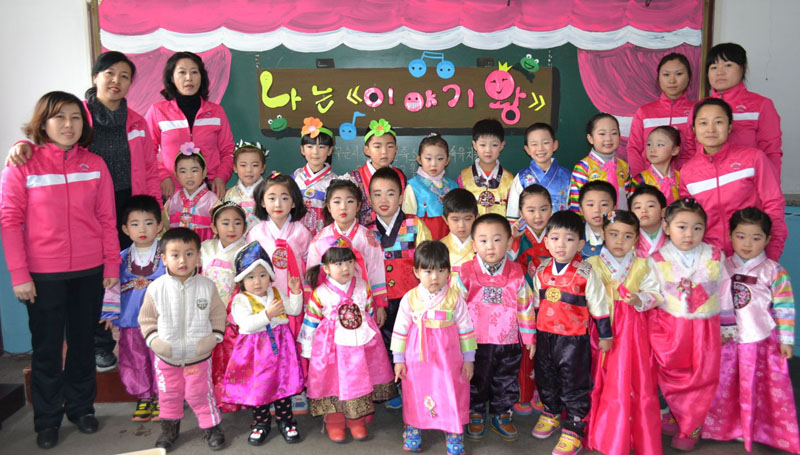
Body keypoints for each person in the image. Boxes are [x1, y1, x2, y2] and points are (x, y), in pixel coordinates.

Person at [6, 50, 161, 374]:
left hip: (129, 205)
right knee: (99, 282)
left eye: (124, 76)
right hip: (88, 207)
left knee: (126, 275)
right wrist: (23, 146)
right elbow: (52, 145)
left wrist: (153, 209)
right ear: (95, 77)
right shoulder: (77, 115)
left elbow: (149, 167)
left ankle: (135, 340)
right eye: (110, 74)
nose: (116, 81)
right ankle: (100, 345)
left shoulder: (136, 121)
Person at [0, 91, 120, 449]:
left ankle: (82, 408)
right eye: (60, 117)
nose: (69, 125)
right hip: (43, 275)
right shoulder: (23, 164)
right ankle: (47, 419)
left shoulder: (94, 164)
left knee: (83, 345)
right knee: (47, 349)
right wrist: (19, 275)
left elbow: (107, 219)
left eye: (76, 117)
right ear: (43, 123)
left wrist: (111, 265)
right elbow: (9, 222)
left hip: (89, 271)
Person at [703, 207, 800, 453]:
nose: (747, 244)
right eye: (740, 236)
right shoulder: (722, 266)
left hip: (761, 342)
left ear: (767, 239)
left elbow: (785, 307)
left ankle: (757, 428)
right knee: (726, 386)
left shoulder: (773, 271)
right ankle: (728, 427)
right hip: (727, 341)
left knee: (759, 387)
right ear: (731, 236)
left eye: (756, 238)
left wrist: (786, 340)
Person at [298, 236, 398, 442]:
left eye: (349, 262)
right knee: (333, 384)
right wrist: (308, 351)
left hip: (361, 347)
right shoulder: (320, 293)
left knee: (359, 381)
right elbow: (311, 322)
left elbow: (369, 311)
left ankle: (356, 420)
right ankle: (335, 421)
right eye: (338, 263)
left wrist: (372, 340)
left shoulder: (362, 286)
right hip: (332, 351)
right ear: (326, 268)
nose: (345, 268)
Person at [137, 227, 226, 451]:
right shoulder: (156, 288)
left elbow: (218, 314)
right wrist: (155, 342)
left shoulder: (207, 286)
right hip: (166, 357)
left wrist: (213, 338)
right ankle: (169, 429)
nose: (183, 260)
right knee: (169, 394)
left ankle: (211, 427)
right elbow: (146, 320)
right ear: (164, 258)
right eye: (175, 255)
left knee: (200, 393)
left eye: (189, 254)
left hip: (198, 356)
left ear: (198, 256)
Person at [530, 210, 611, 455]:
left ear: (580, 244)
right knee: (545, 375)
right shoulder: (541, 271)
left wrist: (605, 335)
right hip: (545, 336)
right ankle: (551, 411)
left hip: (573, 339)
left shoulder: (586, 273)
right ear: (546, 242)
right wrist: (532, 335)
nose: (561, 245)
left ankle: (575, 424)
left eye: (569, 239)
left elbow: (599, 305)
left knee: (573, 380)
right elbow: (536, 305)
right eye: (555, 238)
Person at [646, 199, 724, 451]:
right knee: (669, 372)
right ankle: (670, 416)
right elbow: (652, 293)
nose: (689, 234)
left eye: (697, 228)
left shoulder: (715, 255)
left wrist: (728, 326)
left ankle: (691, 428)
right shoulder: (656, 259)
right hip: (670, 328)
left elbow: (725, 292)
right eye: (682, 227)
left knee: (702, 377)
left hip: (705, 329)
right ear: (666, 228)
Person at [584, 210, 662, 455]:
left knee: (632, 379)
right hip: (600, 327)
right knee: (600, 376)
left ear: (636, 238)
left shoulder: (643, 264)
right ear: (603, 233)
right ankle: (603, 433)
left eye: (628, 236)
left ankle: (634, 435)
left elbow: (655, 293)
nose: (620, 241)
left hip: (632, 332)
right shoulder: (591, 263)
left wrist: (639, 298)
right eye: (614, 234)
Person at [391, 240, 477, 455]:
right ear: (416, 272)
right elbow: (400, 330)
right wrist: (398, 360)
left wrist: (469, 359)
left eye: (440, 270)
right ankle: (413, 427)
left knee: (451, 390)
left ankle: (453, 431)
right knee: (415, 391)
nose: (435, 277)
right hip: (417, 358)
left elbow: (466, 329)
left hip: (449, 358)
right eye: (428, 271)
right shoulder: (410, 298)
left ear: (449, 271)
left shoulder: (454, 298)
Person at [455, 214, 536, 442]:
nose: (490, 246)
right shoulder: (465, 272)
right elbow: (456, 307)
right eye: (483, 240)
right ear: (474, 244)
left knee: (505, 379)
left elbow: (525, 306)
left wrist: (529, 338)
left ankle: (502, 413)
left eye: (497, 239)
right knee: (476, 379)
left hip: (508, 340)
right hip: (474, 341)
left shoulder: (517, 273)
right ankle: (476, 411)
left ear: (509, 242)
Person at [679, 98, 787, 261]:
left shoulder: (753, 159)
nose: (711, 129)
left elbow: (774, 205)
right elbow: (688, 219)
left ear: (729, 127)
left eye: (718, 122)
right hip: (709, 261)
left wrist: (771, 255)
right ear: (694, 128)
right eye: (703, 123)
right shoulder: (688, 171)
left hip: (752, 257)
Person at [223, 241, 305, 445]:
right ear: (242, 280)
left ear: (270, 276)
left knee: (282, 384)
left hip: (280, 348)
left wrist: (296, 292)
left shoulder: (275, 293)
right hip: (255, 351)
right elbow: (246, 325)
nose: (258, 282)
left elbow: (294, 310)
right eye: (250, 277)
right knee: (259, 387)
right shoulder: (240, 300)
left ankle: (286, 420)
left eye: (262, 275)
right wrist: (268, 314)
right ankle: (261, 423)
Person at [368, 167, 432, 410]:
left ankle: (412, 384)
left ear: (401, 196)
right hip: (380, 301)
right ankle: (392, 387)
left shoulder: (415, 224)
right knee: (385, 344)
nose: (384, 200)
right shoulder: (366, 230)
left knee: (412, 343)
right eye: (377, 194)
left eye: (390, 193)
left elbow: (428, 263)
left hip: (411, 299)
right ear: (369, 198)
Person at [101, 195, 165, 422]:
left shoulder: (167, 254)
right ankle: (143, 396)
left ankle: (163, 396)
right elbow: (112, 285)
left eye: (149, 223)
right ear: (125, 229)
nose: (142, 229)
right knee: (134, 357)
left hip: (161, 319)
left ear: (159, 225)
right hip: (130, 319)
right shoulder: (120, 259)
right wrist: (109, 314)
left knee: (161, 357)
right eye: (135, 224)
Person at [685, 43, 783, 178]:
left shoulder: (761, 105)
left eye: (728, 65)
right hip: (707, 182)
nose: (720, 72)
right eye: (713, 67)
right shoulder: (699, 107)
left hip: (747, 182)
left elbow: (771, 152)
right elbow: (690, 149)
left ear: (743, 68)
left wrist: (770, 186)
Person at [146, 51, 234, 200]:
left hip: (210, 192)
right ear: (171, 77)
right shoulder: (157, 111)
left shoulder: (216, 112)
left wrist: (221, 177)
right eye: (182, 72)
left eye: (194, 72)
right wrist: (163, 176)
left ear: (201, 77)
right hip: (172, 193)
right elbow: (147, 152)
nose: (189, 78)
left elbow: (228, 150)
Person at [308, 179, 389, 318]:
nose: (343, 207)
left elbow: (376, 271)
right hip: (329, 304)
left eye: (350, 201)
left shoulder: (368, 237)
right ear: (328, 207)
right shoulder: (320, 239)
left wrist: (380, 305)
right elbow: (313, 275)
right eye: (337, 202)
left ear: (358, 206)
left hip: (361, 300)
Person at [246, 173, 311, 338]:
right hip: (266, 298)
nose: (278, 204)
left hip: (294, 295)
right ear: (262, 202)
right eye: (271, 198)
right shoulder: (256, 233)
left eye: (284, 198)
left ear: (294, 202)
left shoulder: (301, 232)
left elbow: (309, 266)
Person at [507, 184, 553, 416]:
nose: (538, 216)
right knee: (526, 347)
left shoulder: (556, 234)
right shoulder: (517, 236)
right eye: (531, 210)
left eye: (544, 209)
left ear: (552, 209)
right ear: (521, 212)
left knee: (547, 349)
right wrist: (512, 241)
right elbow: (507, 263)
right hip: (524, 301)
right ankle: (524, 392)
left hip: (552, 301)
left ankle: (541, 391)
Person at [201, 202, 247, 413]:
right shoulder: (205, 248)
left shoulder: (246, 250)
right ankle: (210, 397)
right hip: (206, 312)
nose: (231, 229)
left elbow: (246, 286)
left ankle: (234, 398)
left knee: (231, 357)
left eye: (237, 223)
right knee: (209, 357)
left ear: (245, 226)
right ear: (214, 227)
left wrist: (232, 314)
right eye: (225, 223)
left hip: (233, 315)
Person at [627, 52, 696, 176]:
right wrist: (641, 178)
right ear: (658, 78)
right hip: (649, 181)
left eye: (679, 74)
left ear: (688, 77)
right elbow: (633, 148)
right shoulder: (644, 112)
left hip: (686, 179)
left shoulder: (697, 111)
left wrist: (688, 176)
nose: (672, 80)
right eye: (666, 74)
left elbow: (699, 149)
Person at [348, 118, 407, 225]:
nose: (384, 151)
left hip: (398, 231)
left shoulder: (400, 175)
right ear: (367, 150)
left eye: (390, 146)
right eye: (377, 146)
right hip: (364, 231)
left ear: (396, 149)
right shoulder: (355, 177)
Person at [569, 113, 632, 211]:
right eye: (602, 134)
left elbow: (629, 198)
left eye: (614, 133)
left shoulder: (624, 167)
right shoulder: (583, 167)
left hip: (621, 219)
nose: (608, 139)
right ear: (590, 138)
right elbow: (576, 203)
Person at [507, 123, 571, 216]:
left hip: (560, 225)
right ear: (527, 149)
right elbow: (513, 213)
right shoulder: (521, 178)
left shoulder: (567, 176)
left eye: (545, 143)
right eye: (534, 144)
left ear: (555, 145)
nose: (540, 148)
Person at [402, 133, 457, 239]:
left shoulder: (453, 185)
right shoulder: (413, 186)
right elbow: (408, 220)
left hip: (450, 239)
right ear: (419, 159)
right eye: (428, 158)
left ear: (447, 161)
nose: (433, 164)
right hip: (424, 240)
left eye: (440, 159)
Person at [292, 117, 339, 236]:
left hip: (324, 235)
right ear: (302, 150)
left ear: (330, 150)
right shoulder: (295, 178)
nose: (315, 152)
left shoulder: (335, 182)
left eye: (321, 147)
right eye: (310, 146)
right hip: (297, 235)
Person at [457, 119, 514, 216]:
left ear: (502, 145)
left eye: (494, 145)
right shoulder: (464, 177)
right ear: (474, 145)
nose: (488, 150)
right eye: (483, 145)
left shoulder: (509, 180)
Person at [163, 146, 219, 241]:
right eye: (183, 171)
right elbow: (164, 229)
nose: (189, 176)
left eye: (194, 170)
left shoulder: (212, 201)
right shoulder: (172, 201)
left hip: (204, 248)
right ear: (176, 175)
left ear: (204, 172)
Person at [223, 141, 267, 230]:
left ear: (263, 168)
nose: (249, 170)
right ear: (235, 168)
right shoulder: (230, 194)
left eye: (255, 165)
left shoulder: (269, 192)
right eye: (243, 165)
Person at [633, 126, 681, 205]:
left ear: (674, 150)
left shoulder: (680, 178)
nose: (652, 149)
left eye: (660, 145)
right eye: (649, 144)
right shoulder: (640, 180)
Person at [440, 189, 478, 277]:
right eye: (455, 219)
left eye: (467, 219)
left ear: (476, 218)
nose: (461, 225)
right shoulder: (439, 247)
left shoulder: (483, 246)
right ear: (445, 220)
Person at [578, 180, 617, 258]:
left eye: (604, 204)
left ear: (614, 208)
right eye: (590, 204)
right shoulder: (575, 234)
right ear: (581, 209)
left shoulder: (622, 233)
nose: (597, 210)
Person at [629, 185, 668, 258]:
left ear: (663, 211)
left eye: (650, 206)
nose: (643, 210)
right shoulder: (629, 236)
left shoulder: (672, 233)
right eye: (638, 207)